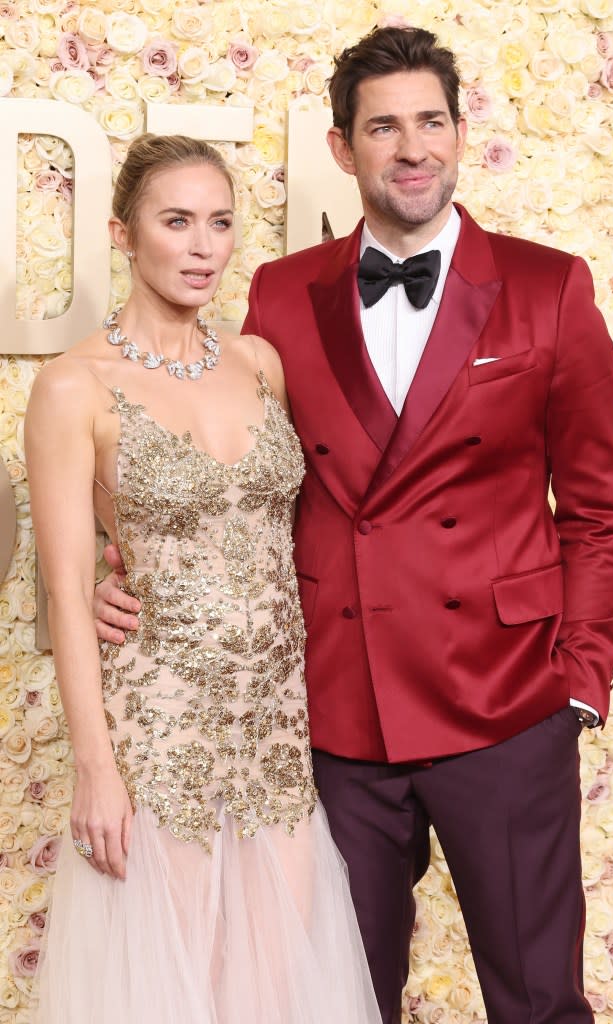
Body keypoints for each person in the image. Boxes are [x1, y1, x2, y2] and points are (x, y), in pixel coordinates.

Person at [94, 27, 613, 1024]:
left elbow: (595, 507)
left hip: (507, 706)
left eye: (430, 121)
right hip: (338, 715)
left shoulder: (550, 287)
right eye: (383, 127)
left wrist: (580, 684)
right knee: (338, 1001)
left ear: (460, 134)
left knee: (539, 1001)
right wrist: (123, 568)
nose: (411, 147)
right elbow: (235, 478)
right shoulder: (281, 296)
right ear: (343, 148)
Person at [25, 133, 381, 1024]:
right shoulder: (75, 387)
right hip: (159, 726)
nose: (201, 247)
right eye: (175, 221)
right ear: (123, 233)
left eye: (219, 224)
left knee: (273, 980)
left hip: (273, 723)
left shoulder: (258, 362)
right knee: (173, 987)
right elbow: (68, 585)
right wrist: (95, 768)